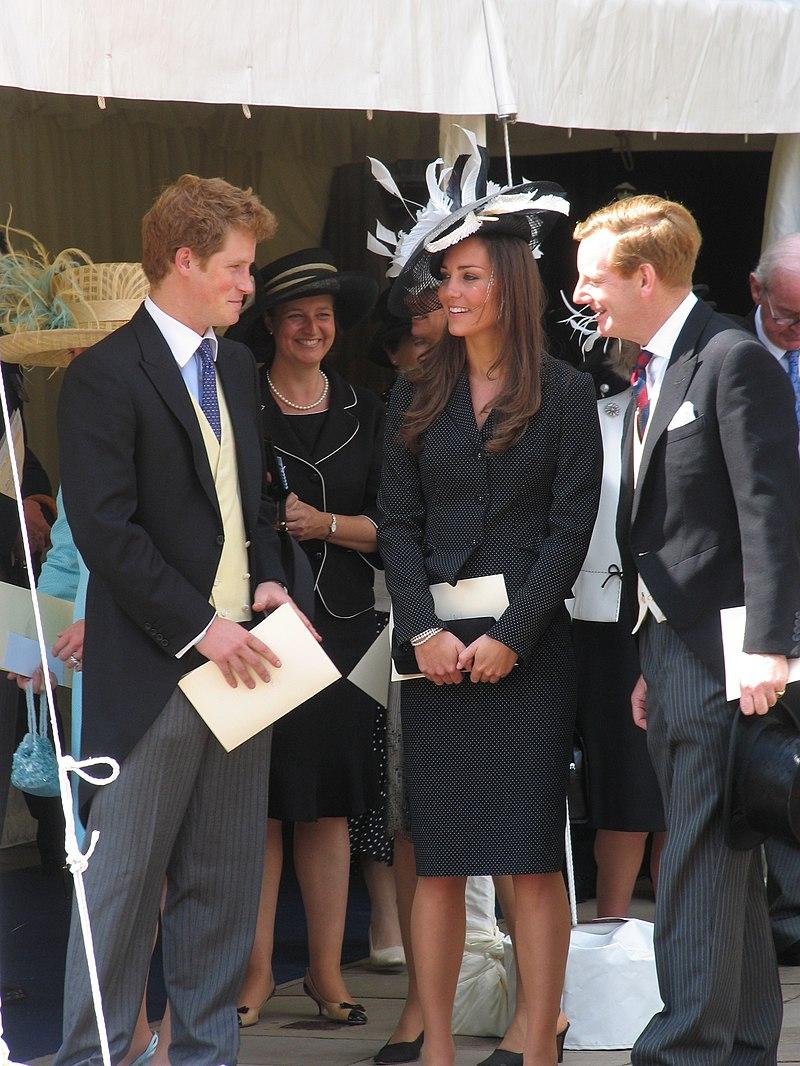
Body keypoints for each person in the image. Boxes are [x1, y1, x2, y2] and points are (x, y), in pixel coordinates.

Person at [53, 174, 315, 1066]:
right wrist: (203, 628)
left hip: (249, 659)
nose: (250, 284)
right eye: (237, 267)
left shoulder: (233, 367)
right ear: (184, 261)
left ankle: (206, 1056)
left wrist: (272, 584)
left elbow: (257, 503)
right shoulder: (102, 374)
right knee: (121, 890)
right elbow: (106, 531)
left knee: (224, 888)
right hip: (156, 669)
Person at [378, 166, 602, 1066]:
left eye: (470, 277)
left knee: (528, 856)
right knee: (437, 858)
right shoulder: (413, 392)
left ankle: (538, 1042)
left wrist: (512, 638)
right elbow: (397, 523)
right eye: (446, 278)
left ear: (509, 284)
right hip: (433, 651)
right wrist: (421, 631)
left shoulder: (567, 393)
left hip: (530, 655)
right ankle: (436, 1048)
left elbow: (570, 530)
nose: (452, 293)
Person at [573, 195, 800, 1065]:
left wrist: (770, 648)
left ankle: (684, 1049)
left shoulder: (731, 359)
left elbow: (771, 517)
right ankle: (740, 1042)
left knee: (700, 855)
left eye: (593, 279)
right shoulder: (654, 364)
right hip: (672, 646)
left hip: (730, 652)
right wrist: (651, 649)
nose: (581, 295)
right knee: (726, 856)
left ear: (644, 277)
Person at [230, 248, 385, 1028]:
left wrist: (325, 526)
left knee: (328, 808)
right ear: (270, 325)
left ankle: (326, 972)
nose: (311, 328)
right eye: (296, 315)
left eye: (323, 315)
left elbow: (398, 528)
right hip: (256, 627)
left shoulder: (369, 409)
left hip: (347, 631)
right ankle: (256, 973)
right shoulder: (237, 404)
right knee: (259, 804)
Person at [569, 338, 665, 916]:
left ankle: (681, 941)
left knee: (682, 799)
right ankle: (611, 931)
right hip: (600, 620)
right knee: (625, 790)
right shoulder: (589, 414)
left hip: (680, 615)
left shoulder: (692, 399)